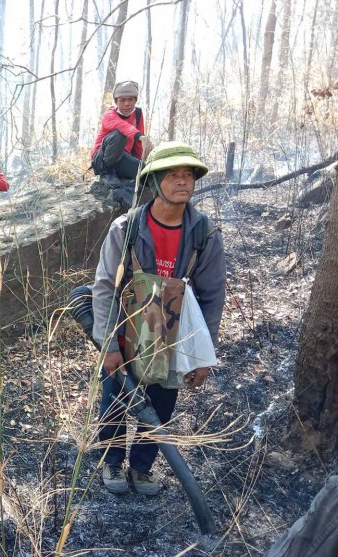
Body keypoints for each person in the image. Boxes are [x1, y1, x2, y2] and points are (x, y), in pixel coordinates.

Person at [91, 142, 226, 496]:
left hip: (174, 330)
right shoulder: (127, 228)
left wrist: (203, 355)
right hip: (127, 329)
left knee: (162, 402)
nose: (183, 182)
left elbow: (212, 296)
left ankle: (142, 467)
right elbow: (104, 287)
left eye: (188, 176)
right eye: (173, 175)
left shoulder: (204, 234)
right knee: (116, 399)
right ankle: (111, 461)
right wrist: (108, 343)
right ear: (155, 181)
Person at [91, 80, 153, 194]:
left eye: (130, 99)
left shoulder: (137, 114)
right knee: (120, 135)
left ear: (135, 100)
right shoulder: (109, 115)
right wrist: (141, 137)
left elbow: (138, 145)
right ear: (116, 101)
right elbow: (123, 127)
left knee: (148, 173)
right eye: (122, 100)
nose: (126, 104)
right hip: (102, 159)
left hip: (122, 159)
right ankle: (106, 174)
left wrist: (139, 162)